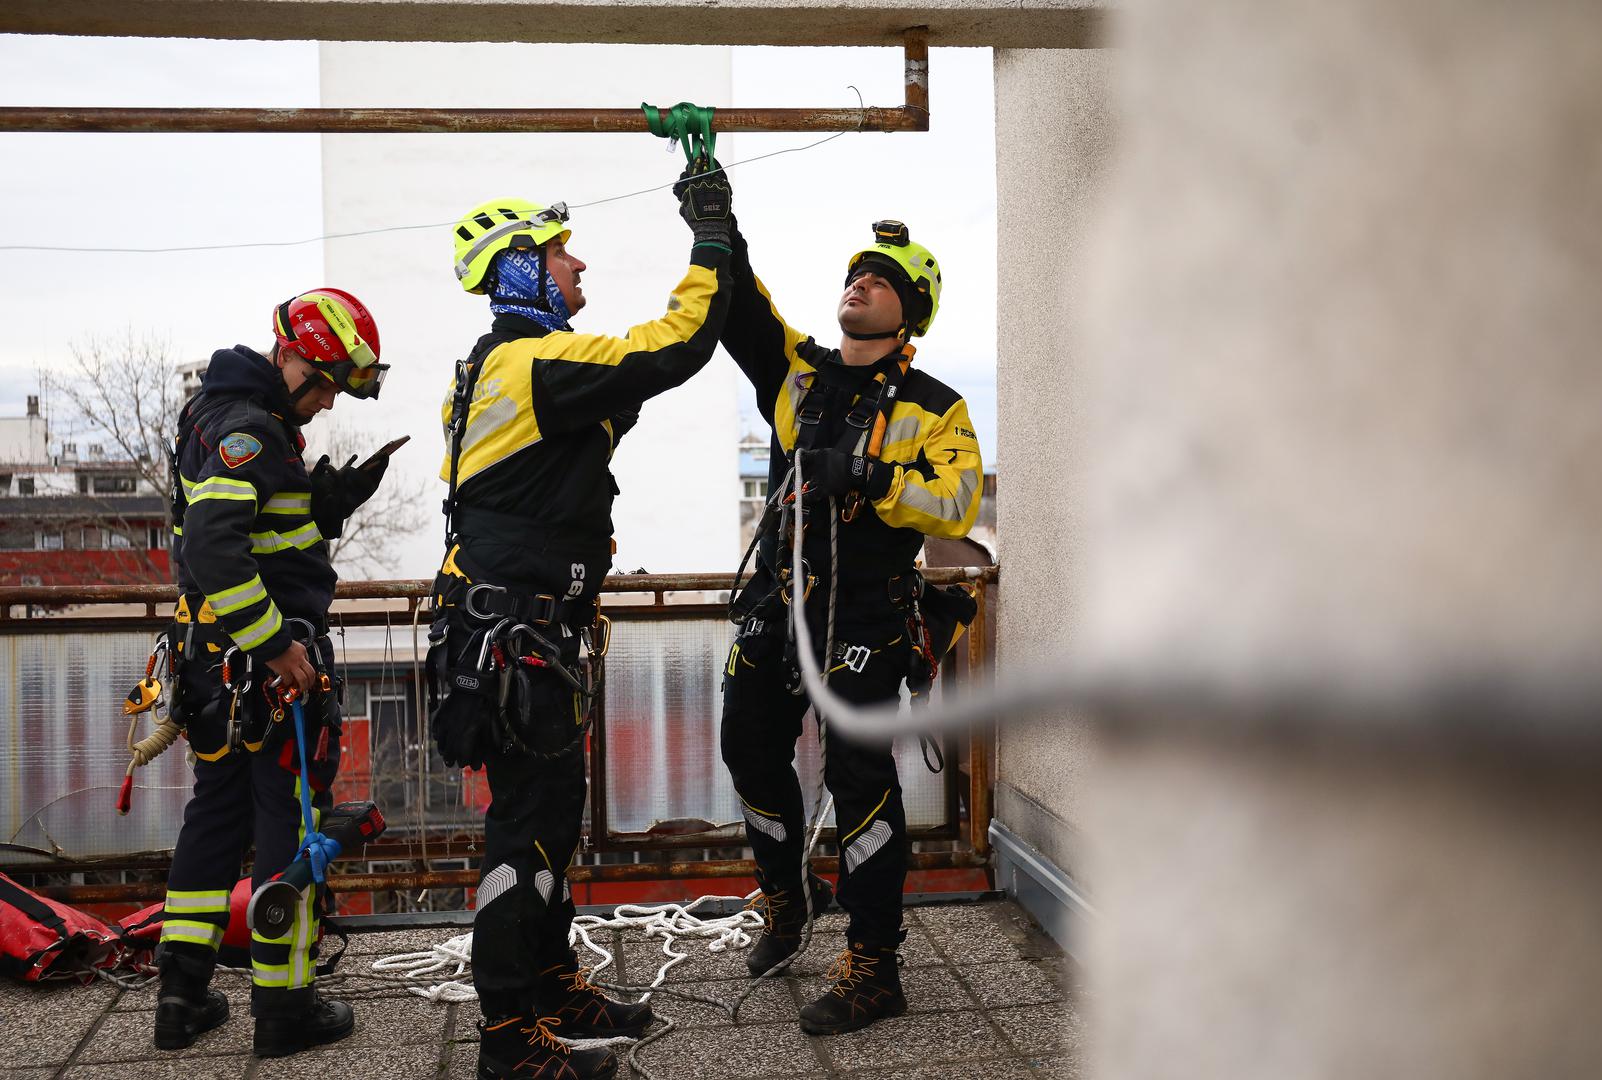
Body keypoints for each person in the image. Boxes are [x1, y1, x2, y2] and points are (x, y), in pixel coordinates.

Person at [429, 162, 734, 1080]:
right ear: (520, 267)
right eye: (562, 254)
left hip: (522, 638)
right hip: (516, 642)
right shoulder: (533, 365)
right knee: (526, 832)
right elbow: (672, 347)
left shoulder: (504, 373)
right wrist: (711, 239)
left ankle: (550, 985)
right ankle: (506, 1038)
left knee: (550, 824)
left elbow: (598, 416)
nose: (579, 266)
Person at [719, 216, 983, 1035]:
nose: (860, 282)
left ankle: (875, 968)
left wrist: (870, 475)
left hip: (867, 610)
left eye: (882, 280)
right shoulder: (798, 373)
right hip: (780, 599)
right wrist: (718, 225)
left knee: (860, 782)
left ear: (910, 312)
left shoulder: (936, 406)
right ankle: (789, 898)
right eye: (856, 272)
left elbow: (956, 501)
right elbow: (743, 308)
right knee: (746, 748)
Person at [154, 289, 392, 1056]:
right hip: (263, 668)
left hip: (212, 664)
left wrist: (321, 508)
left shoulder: (220, 413)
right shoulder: (251, 430)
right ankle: (285, 1007)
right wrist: (278, 647)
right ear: (288, 355)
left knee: (215, 818)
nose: (328, 401)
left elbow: (253, 531)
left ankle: (181, 997)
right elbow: (212, 546)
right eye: (322, 383)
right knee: (289, 824)